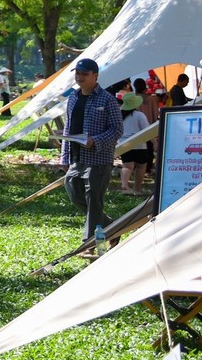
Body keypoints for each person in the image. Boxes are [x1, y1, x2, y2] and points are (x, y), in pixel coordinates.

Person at [62, 57, 124, 246]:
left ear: (95, 76)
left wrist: (95, 141)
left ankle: (88, 243)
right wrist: (64, 157)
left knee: (93, 199)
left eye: (84, 74)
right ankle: (111, 226)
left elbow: (117, 129)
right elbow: (68, 129)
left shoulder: (107, 99)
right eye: (77, 73)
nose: (79, 77)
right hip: (76, 158)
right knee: (73, 191)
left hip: (98, 159)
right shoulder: (73, 97)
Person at [119, 87, 155, 196]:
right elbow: (147, 131)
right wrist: (155, 143)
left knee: (127, 166)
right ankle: (137, 189)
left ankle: (124, 185)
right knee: (141, 166)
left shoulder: (119, 115)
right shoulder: (139, 115)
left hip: (123, 144)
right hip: (140, 144)